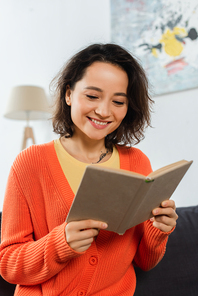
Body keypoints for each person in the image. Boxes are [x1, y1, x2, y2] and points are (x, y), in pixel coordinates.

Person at [0, 43, 178, 296]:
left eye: (118, 101)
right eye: (92, 96)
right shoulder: (30, 163)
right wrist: (61, 243)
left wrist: (158, 229)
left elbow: (145, 262)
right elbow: (8, 264)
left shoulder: (138, 162)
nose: (104, 111)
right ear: (69, 94)